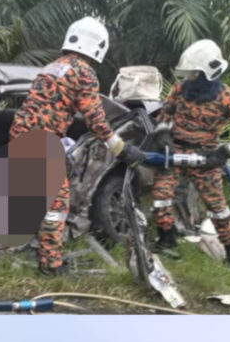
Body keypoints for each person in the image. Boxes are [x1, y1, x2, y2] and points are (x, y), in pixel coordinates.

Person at [9, 16, 145, 275]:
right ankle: (50, 265)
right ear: (97, 46)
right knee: (57, 206)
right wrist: (122, 149)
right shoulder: (84, 72)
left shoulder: (52, 67)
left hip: (21, 137)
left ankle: (40, 249)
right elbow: (95, 119)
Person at [152, 39, 230, 264]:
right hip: (176, 152)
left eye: (194, 74)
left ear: (207, 73)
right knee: (161, 198)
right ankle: (167, 241)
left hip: (206, 158)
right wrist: (162, 133)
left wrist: (226, 151)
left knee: (217, 208)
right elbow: (165, 112)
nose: (189, 78)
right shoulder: (180, 90)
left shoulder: (228, 97)